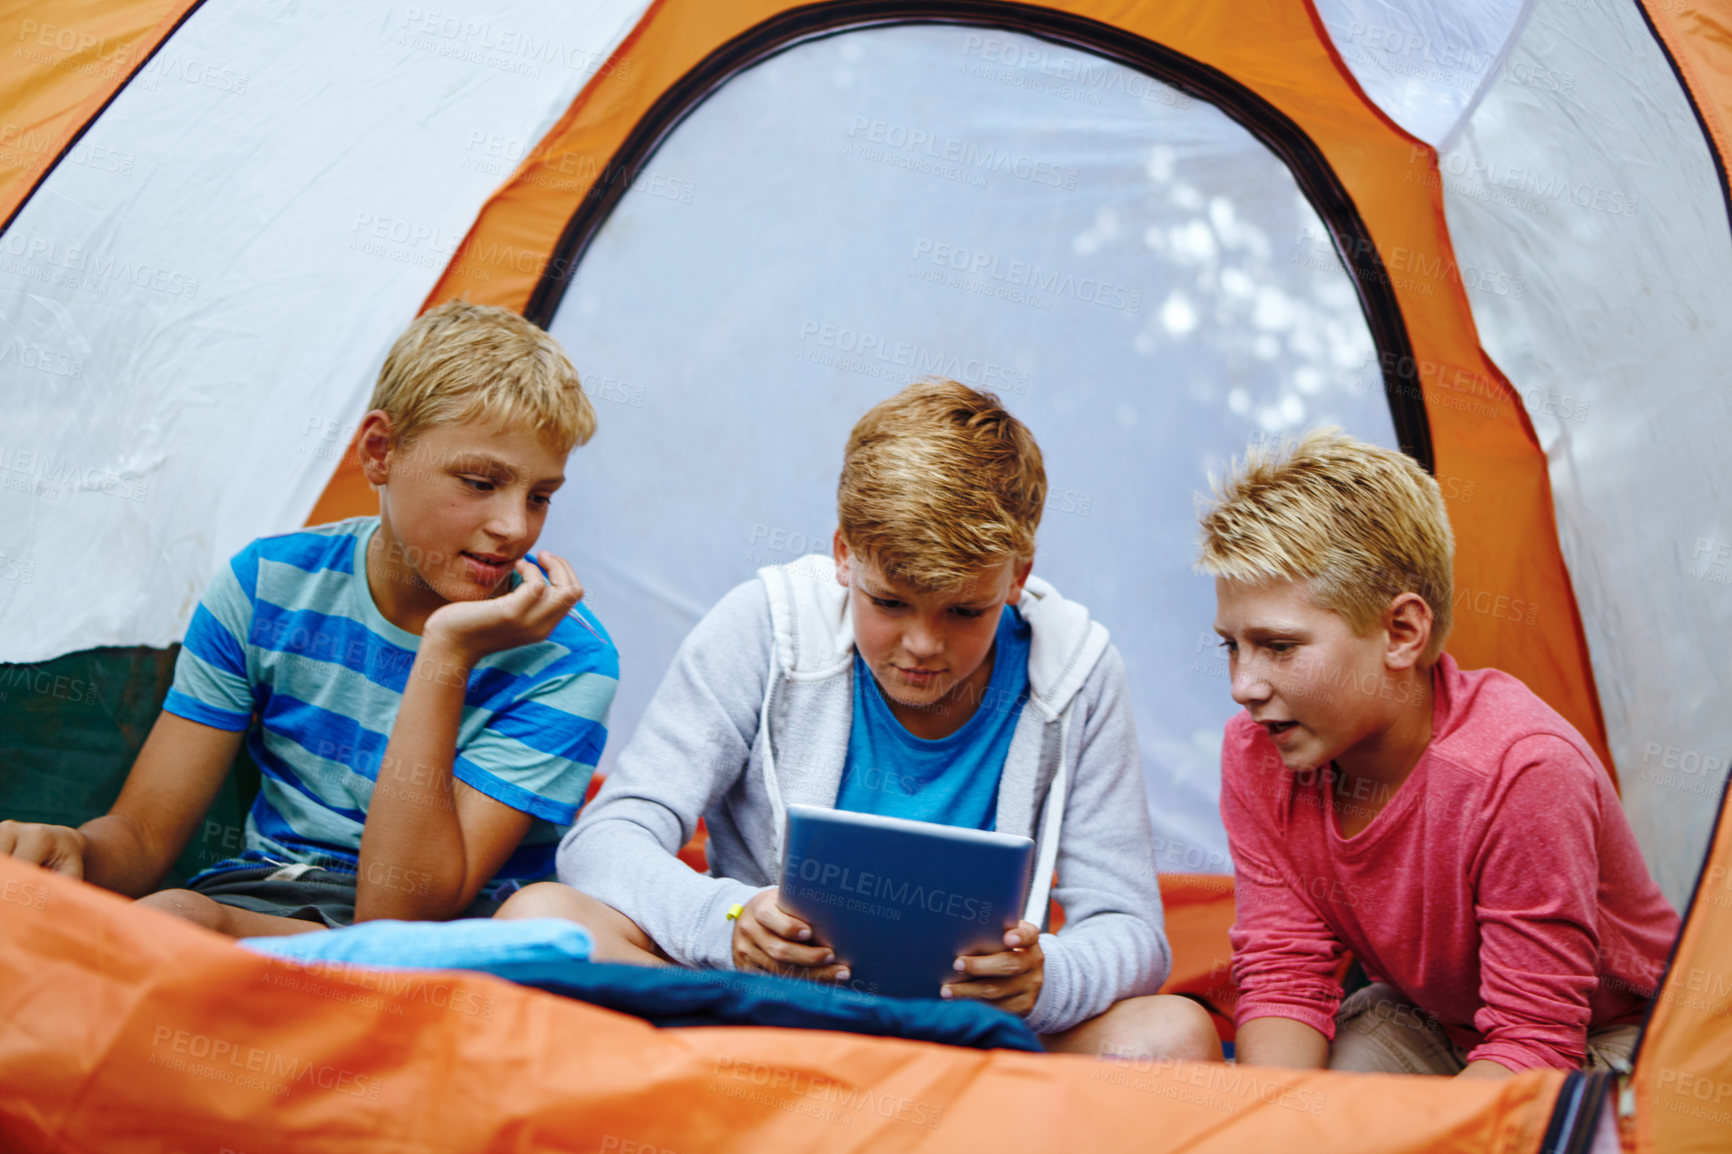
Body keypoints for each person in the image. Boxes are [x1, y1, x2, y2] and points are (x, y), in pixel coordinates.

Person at [499, 380, 1219, 1061]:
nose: (923, 646)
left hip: (965, 1035)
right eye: (892, 603)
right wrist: (727, 922)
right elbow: (607, 840)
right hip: (758, 1006)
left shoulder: (1079, 672)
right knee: (540, 922)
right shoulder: (762, 627)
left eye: (967, 611)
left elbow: (1131, 931)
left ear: (1018, 574)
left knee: (1175, 1036)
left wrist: (1045, 979)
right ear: (845, 554)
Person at [0, 301, 617, 936]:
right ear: (380, 452)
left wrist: (447, 656)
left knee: (172, 921)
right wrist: (77, 851)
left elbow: (399, 918)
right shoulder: (268, 586)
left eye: (540, 496)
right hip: (258, 895)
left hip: (440, 943)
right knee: (159, 917)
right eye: (481, 482)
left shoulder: (569, 661)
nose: (514, 527)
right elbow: (143, 838)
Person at [1200, 427, 1678, 1075]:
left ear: (1401, 632)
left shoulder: (1520, 770)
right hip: (1434, 1020)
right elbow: (1284, 973)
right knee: (1324, 1096)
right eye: (1232, 645)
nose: (1243, 687)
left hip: (1611, 1039)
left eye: (1279, 646)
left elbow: (1535, 1041)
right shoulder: (1260, 751)